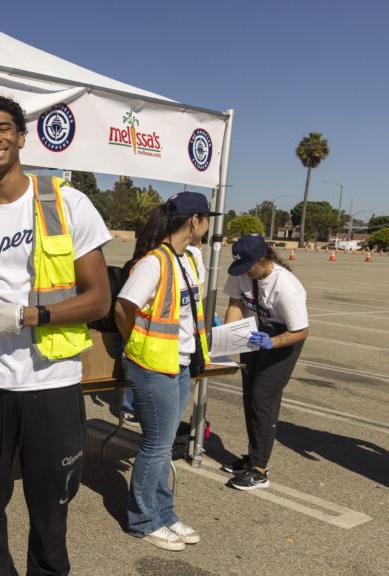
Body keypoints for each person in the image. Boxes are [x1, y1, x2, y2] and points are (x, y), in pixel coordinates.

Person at [0, 96, 112, 575]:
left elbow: (99, 299)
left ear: (20, 137)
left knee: (50, 515)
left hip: (51, 386)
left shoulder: (65, 202)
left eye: (3, 129)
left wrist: (28, 315)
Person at [113, 192, 218, 552]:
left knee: (164, 446)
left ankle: (164, 513)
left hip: (180, 362)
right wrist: (136, 342)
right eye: (207, 218)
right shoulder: (154, 262)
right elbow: (123, 307)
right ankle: (143, 520)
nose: (209, 225)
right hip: (152, 365)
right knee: (156, 446)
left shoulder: (186, 258)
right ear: (194, 220)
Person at [220, 233, 308, 490]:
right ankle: (252, 457)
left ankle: (259, 470)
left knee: (263, 398)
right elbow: (235, 304)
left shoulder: (287, 286)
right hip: (252, 333)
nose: (244, 272)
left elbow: (301, 331)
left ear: (262, 260)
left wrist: (272, 342)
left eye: (249, 267)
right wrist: (227, 335)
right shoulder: (241, 271)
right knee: (249, 397)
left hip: (283, 339)